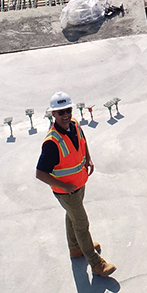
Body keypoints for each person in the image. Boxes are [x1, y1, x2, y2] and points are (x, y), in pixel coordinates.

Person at [35, 92, 116, 277]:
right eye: (61, 112)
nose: (66, 115)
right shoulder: (52, 143)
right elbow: (40, 173)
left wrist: (88, 157)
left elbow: (82, 140)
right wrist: (64, 187)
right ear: (53, 114)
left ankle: (75, 248)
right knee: (81, 224)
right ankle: (96, 263)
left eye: (68, 110)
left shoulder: (75, 125)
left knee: (72, 216)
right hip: (67, 192)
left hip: (79, 184)